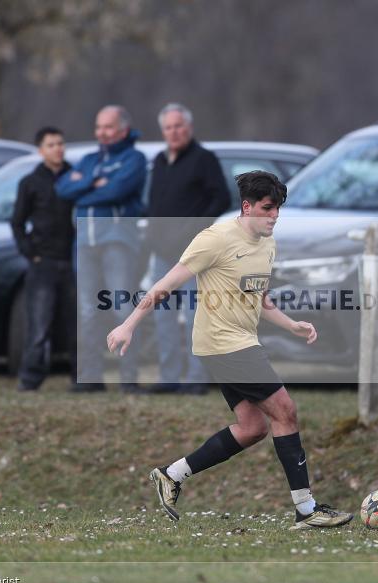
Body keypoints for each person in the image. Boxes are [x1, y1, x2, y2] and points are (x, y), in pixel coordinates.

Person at [106, 170, 353, 530]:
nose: (274, 216)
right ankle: (306, 509)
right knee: (285, 411)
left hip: (241, 341)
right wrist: (129, 324)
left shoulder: (268, 242)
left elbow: (260, 299)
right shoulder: (214, 239)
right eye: (268, 209)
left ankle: (171, 474)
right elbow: (166, 284)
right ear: (247, 206)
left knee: (252, 427)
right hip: (223, 344)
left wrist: (291, 324)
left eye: (278, 209)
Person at [56, 105, 146, 393]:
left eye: (108, 127)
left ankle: (128, 378)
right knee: (87, 312)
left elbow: (116, 191)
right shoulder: (88, 160)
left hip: (117, 242)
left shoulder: (135, 158)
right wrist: (92, 183)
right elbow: (62, 190)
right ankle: (91, 377)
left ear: (122, 129)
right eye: (98, 127)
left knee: (122, 310)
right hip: (84, 243)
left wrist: (83, 188)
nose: (102, 133)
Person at [147, 103, 232, 395]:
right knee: (163, 315)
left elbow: (220, 198)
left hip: (194, 254)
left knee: (197, 315)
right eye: (168, 127)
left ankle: (197, 378)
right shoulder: (159, 161)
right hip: (162, 254)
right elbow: (154, 204)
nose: (174, 132)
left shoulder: (204, 159)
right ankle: (169, 377)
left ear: (189, 128)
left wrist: (193, 230)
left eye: (178, 126)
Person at [10, 126, 81, 392]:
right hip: (43, 265)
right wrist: (31, 253)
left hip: (72, 262)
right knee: (39, 326)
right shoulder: (30, 183)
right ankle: (30, 379)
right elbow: (17, 223)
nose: (58, 149)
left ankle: (82, 378)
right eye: (51, 145)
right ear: (41, 150)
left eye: (61, 143)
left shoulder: (75, 178)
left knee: (76, 325)